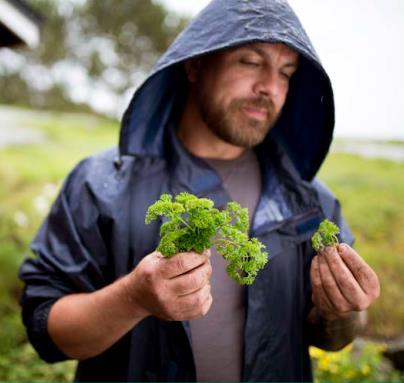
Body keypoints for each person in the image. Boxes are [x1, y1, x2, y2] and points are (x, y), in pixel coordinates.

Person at [19, 0, 380, 381]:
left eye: (286, 73)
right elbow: (46, 329)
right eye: (250, 62)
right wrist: (134, 297)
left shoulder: (310, 203)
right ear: (195, 63)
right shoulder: (101, 185)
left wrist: (343, 312)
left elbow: (332, 337)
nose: (269, 88)